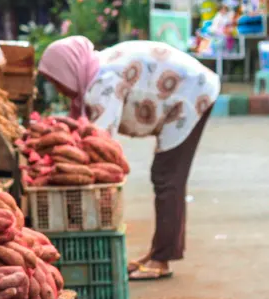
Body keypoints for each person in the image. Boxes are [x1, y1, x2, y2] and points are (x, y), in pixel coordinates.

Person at [38, 36, 220, 280]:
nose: (59, 89)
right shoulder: (95, 68)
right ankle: (158, 253)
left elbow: (100, 142)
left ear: (69, 69)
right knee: (165, 176)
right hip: (186, 90)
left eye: (57, 81)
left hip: (192, 94)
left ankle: (162, 260)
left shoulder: (103, 82)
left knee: (167, 177)